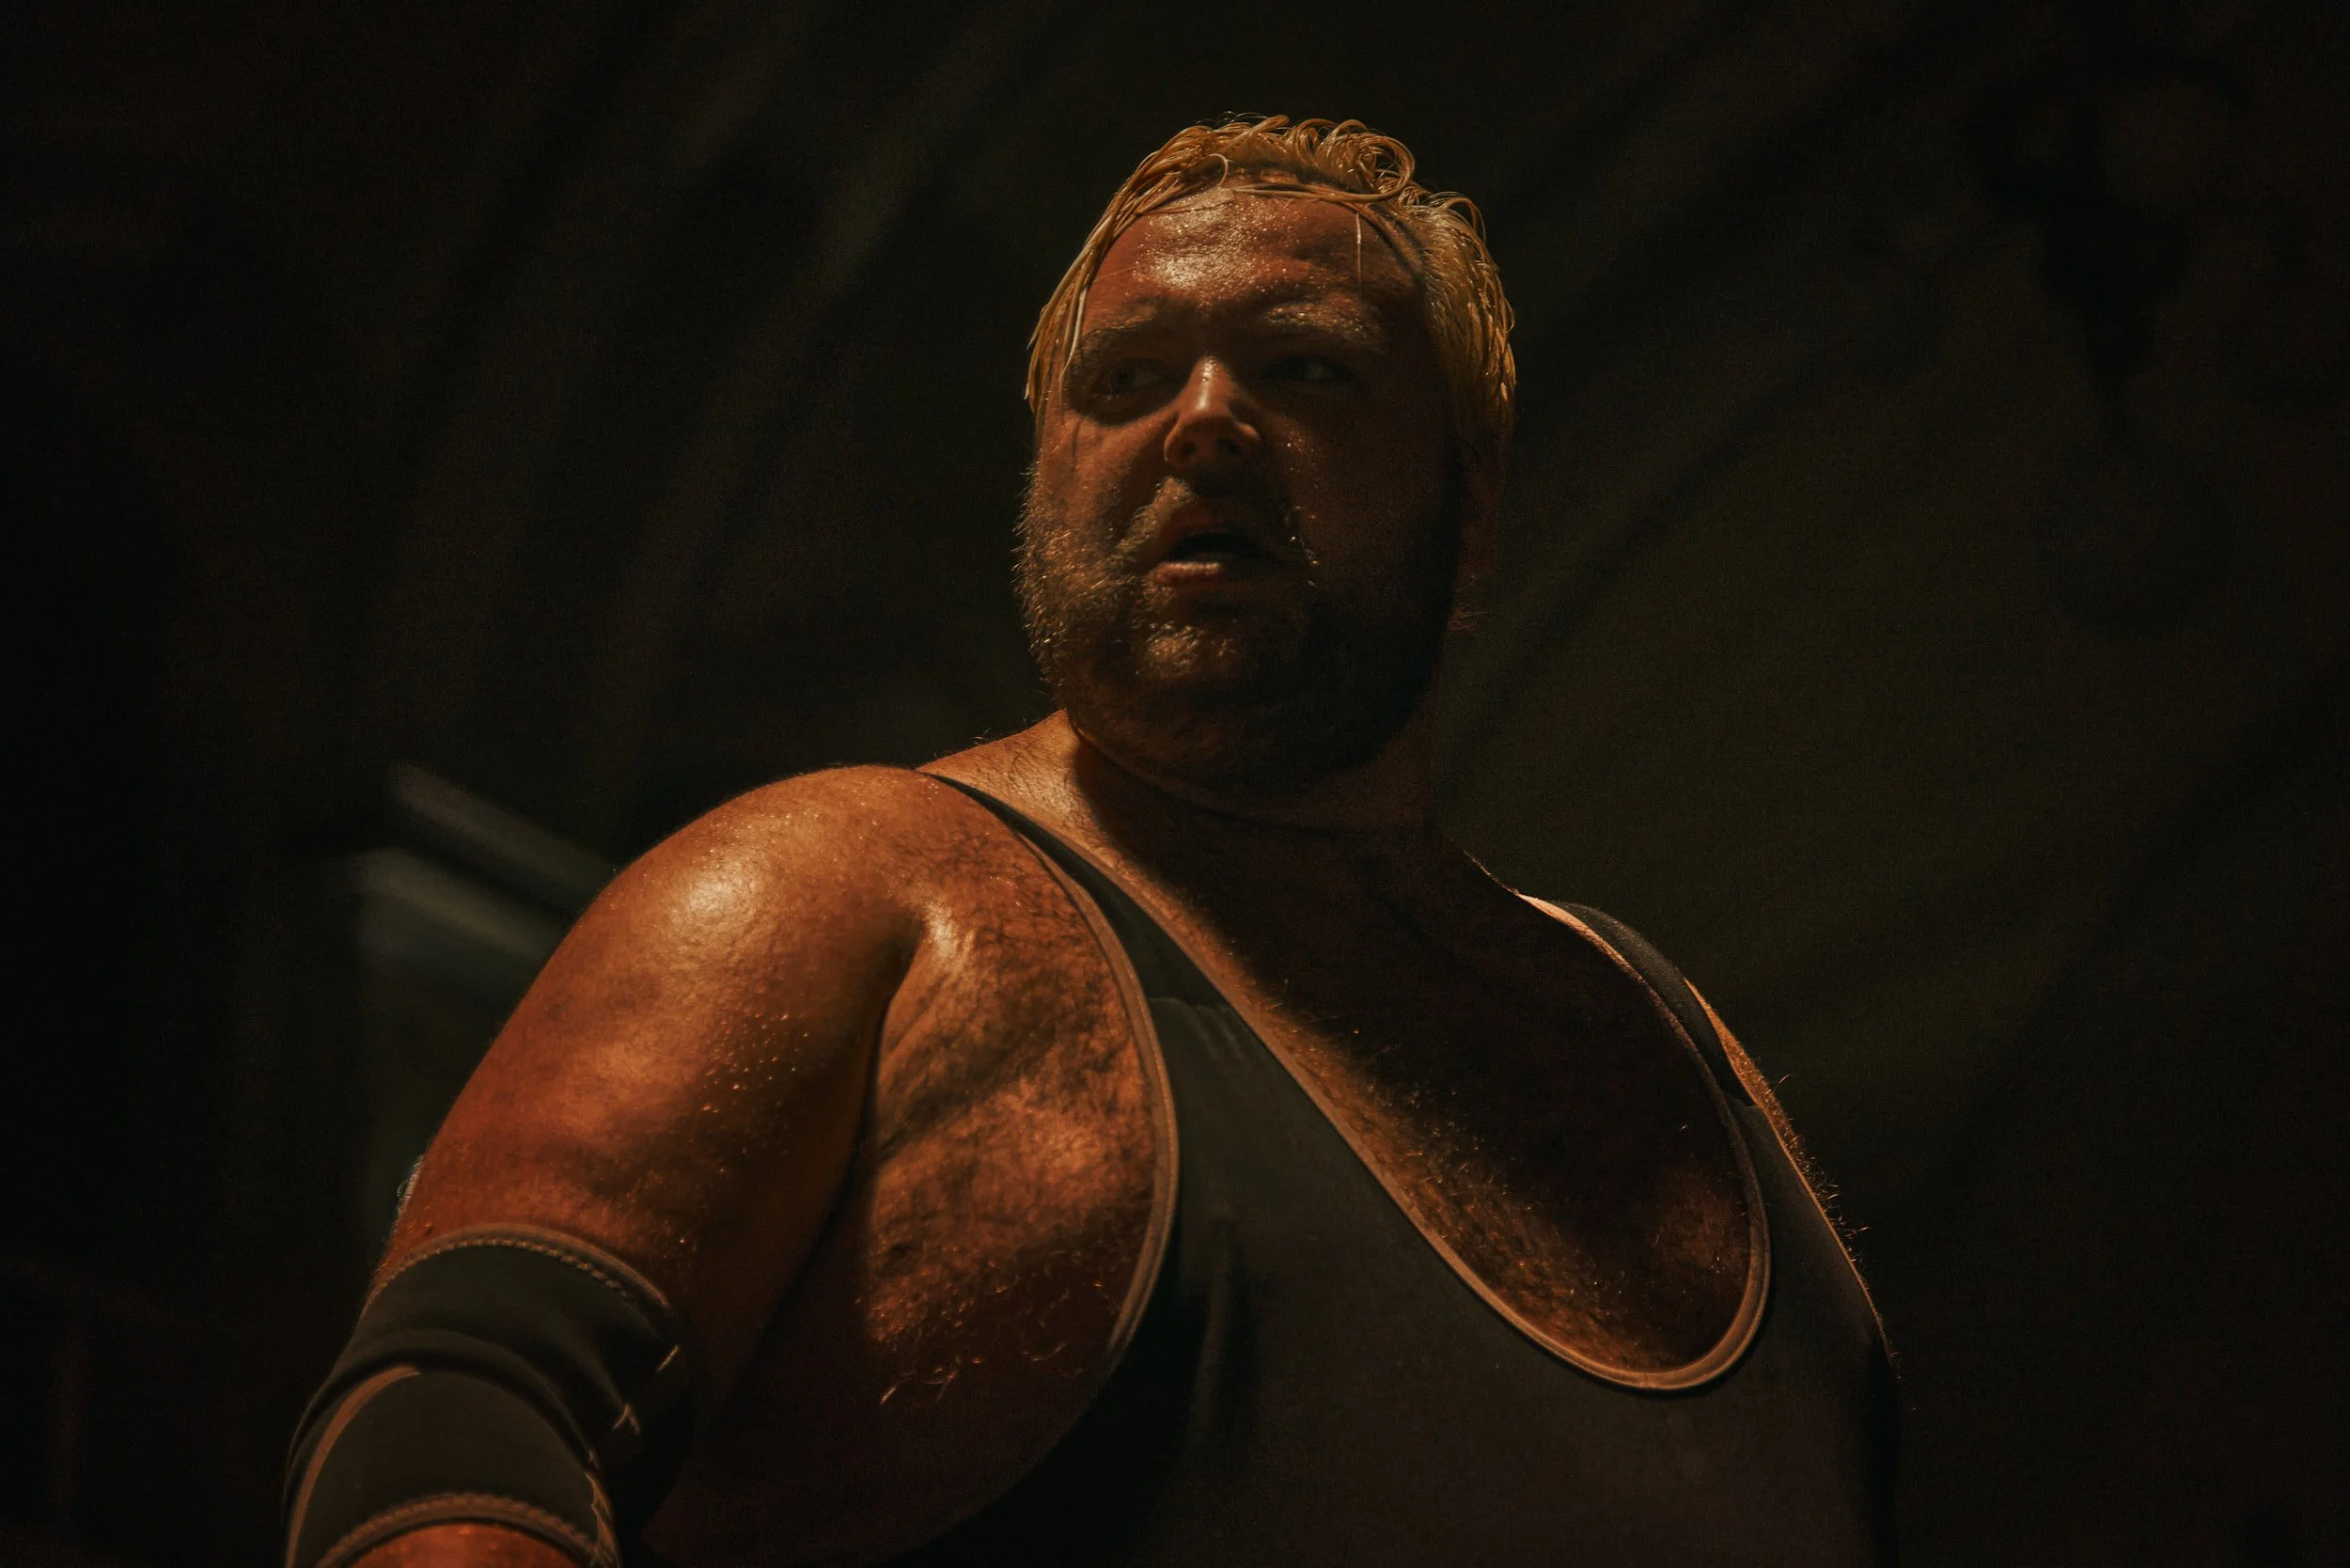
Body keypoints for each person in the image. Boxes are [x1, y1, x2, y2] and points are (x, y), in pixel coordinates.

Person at [285, 117, 1895, 1568]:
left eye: (1305, 368)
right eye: (1124, 380)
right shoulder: (837, 889)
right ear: (1047, 476)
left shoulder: (1668, 1037)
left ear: (1468, 505)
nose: (1202, 424)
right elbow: (449, 1431)